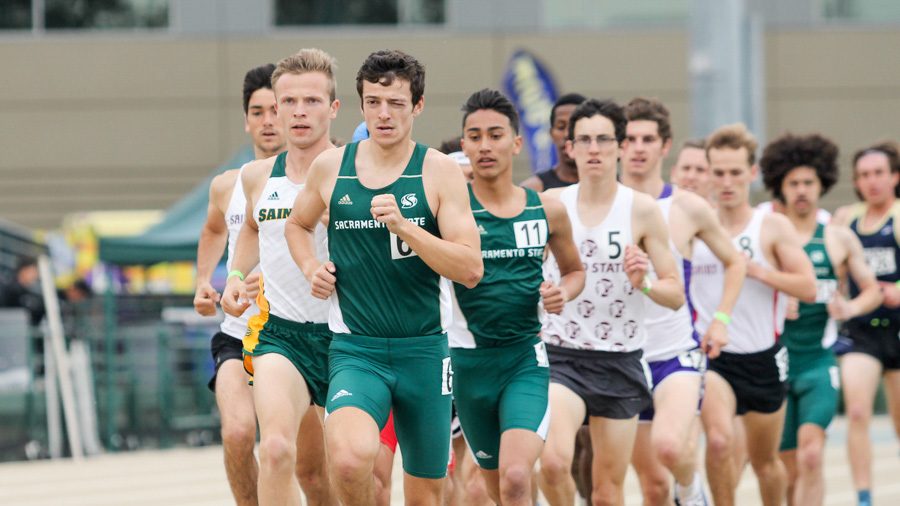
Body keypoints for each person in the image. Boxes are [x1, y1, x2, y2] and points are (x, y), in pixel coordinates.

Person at [286, 49, 482, 506]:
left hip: (425, 351)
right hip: (358, 350)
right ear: (360, 106)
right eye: (373, 102)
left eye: (395, 103)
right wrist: (311, 268)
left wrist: (408, 229)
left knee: (425, 496)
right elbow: (296, 224)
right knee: (351, 459)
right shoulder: (332, 167)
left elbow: (471, 269)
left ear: (417, 106)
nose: (383, 113)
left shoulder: (438, 172)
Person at [537, 98, 685, 506]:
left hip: (619, 359)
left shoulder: (641, 210)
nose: (594, 149)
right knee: (551, 463)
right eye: (584, 140)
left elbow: (675, 295)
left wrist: (646, 283)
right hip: (560, 356)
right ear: (569, 148)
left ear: (619, 146)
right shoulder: (552, 204)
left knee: (607, 491)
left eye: (604, 139)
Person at [449, 88, 585, 505]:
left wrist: (562, 292)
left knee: (515, 478)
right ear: (464, 145)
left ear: (517, 142)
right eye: (474, 136)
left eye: (495, 135)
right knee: (494, 488)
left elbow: (575, 271)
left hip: (523, 360)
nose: (485, 146)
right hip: (468, 365)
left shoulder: (546, 209)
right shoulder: (451, 212)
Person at [221, 48, 339, 506]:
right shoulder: (256, 177)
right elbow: (252, 228)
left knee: (346, 470)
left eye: (311, 101)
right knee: (273, 450)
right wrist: (234, 274)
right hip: (282, 337)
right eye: (286, 102)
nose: (297, 112)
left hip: (349, 336)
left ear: (332, 108)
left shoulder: (353, 170)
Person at [620, 97, 746, 506]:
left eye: (648, 139)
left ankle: (692, 491)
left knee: (671, 449)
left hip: (675, 350)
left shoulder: (688, 207)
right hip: (622, 355)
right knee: (653, 486)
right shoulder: (602, 206)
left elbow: (735, 262)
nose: (638, 147)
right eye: (630, 138)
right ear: (618, 145)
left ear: (664, 146)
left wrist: (721, 319)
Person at [692, 123, 816, 506]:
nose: (726, 182)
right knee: (718, 442)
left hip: (763, 358)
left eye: (735, 172)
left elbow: (808, 287)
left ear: (752, 173)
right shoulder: (696, 225)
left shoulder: (772, 226)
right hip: (712, 357)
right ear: (708, 173)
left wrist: (757, 271)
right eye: (718, 172)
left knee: (765, 462)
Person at [759, 132, 882, 506]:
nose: (801, 191)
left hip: (819, 360)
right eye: (793, 183)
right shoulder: (768, 236)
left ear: (822, 184)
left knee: (813, 456)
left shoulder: (838, 238)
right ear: (780, 186)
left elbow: (872, 290)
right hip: (778, 362)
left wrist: (850, 308)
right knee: (789, 468)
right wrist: (779, 301)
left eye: (808, 183)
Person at [192, 63, 285, 506]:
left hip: (297, 336)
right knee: (238, 433)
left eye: (275, 109)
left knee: (301, 460)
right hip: (237, 333)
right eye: (257, 111)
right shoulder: (226, 186)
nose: (268, 121)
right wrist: (203, 282)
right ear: (246, 119)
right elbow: (213, 231)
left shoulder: (319, 178)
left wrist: (271, 275)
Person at [831, 141, 900, 506]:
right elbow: (835, 269)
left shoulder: (899, 217)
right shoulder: (848, 220)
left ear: (894, 177)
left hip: (898, 327)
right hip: (862, 331)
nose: (871, 182)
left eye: (878, 173)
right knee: (857, 411)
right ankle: (864, 498)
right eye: (863, 175)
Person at [520, 93, 586, 191]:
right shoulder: (533, 191)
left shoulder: (615, 187)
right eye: (561, 127)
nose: (567, 134)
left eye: (574, 126)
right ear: (551, 134)